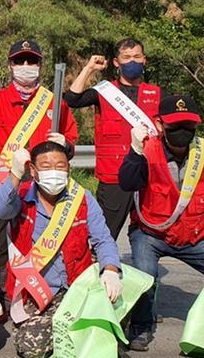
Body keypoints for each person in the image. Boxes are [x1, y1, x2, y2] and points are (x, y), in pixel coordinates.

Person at [118, 95, 204, 352]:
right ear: (160, 125)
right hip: (149, 234)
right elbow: (127, 183)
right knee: (145, 275)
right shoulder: (146, 148)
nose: (183, 133)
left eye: (189, 127)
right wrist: (134, 152)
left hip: (193, 237)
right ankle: (141, 326)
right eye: (175, 127)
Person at [0, 38, 79, 302]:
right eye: (20, 61)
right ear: (11, 65)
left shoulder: (55, 102)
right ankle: (3, 291)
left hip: (44, 181)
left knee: (43, 236)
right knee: (5, 239)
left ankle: (44, 288)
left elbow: (71, 137)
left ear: (40, 65)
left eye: (32, 61)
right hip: (9, 181)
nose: (26, 66)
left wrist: (66, 145)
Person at [0, 141, 122, 358]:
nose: (54, 171)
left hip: (76, 287)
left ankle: (76, 329)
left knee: (117, 292)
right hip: (36, 291)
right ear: (33, 170)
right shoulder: (21, 197)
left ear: (69, 169)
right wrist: (14, 173)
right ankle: (73, 331)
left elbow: (103, 239)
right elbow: (1, 209)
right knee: (31, 348)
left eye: (60, 166)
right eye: (46, 165)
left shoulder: (81, 198)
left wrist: (110, 269)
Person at [64, 38, 164, 240]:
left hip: (149, 175)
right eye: (126, 57)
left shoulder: (158, 93)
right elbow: (71, 100)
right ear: (117, 62)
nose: (132, 61)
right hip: (114, 176)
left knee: (149, 234)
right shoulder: (104, 92)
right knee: (103, 234)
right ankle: (96, 267)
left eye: (136, 56)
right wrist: (89, 68)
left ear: (144, 60)